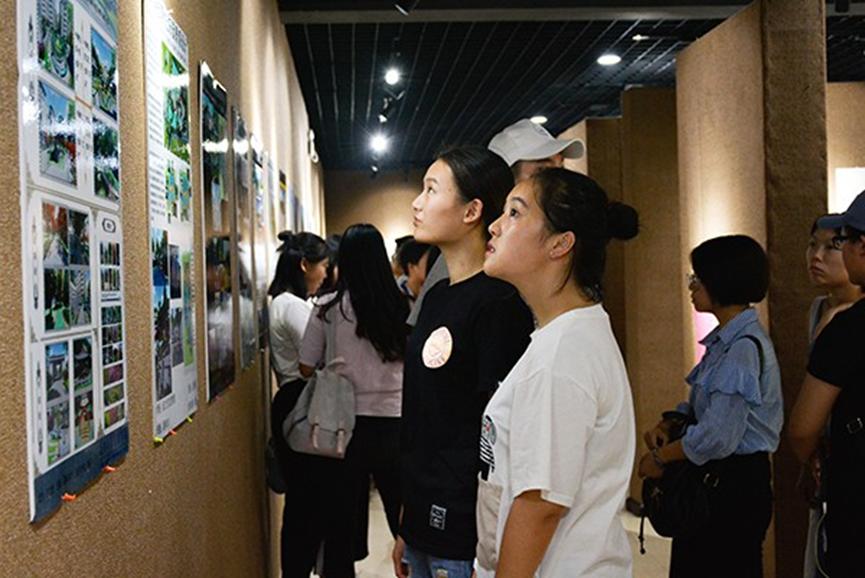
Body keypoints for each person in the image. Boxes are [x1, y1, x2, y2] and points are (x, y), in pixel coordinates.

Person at [476, 168, 638, 576]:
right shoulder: (568, 335)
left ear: (560, 243)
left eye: (515, 213)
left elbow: (541, 505)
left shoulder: (562, 353)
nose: (494, 226)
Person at [393, 146, 535, 578]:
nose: (417, 203)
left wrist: (486, 542)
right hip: (420, 515)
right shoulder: (436, 295)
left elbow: (498, 433)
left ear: (472, 211)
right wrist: (407, 519)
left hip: (463, 527)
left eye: (431, 190)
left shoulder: (499, 303)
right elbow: (422, 416)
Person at [638, 235, 783, 578]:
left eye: (697, 279)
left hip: (732, 484)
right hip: (717, 478)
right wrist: (671, 422)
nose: (692, 286)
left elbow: (718, 435)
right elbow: (705, 403)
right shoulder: (726, 340)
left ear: (721, 280)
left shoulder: (742, 348)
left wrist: (660, 458)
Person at [299, 223, 410, 574]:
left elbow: (305, 365)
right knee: (404, 519)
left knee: (340, 524)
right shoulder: (402, 305)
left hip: (343, 426)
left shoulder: (327, 308)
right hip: (396, 421)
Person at [406, 118, 584, 326]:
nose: (559, 185)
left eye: (560, 170)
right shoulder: (465, 273)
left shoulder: (556, 251)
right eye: (543, 174)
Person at [790, 191, 865, 576]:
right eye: (812, 245)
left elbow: (803, 427)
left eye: (838, 243)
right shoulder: (820, 311)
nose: (817, 256)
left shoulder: (847, 327)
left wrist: (812, 457)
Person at [266, 231, 330, 578]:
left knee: (305, 501)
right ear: (305, 265)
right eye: (323, 266)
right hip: (298, 402)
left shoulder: (288, 302)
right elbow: (316, 355)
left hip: (297, 401)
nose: (325, 273)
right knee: (305, 501)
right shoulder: (289, 304)